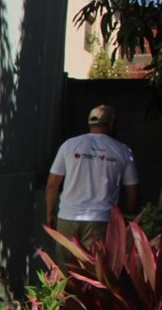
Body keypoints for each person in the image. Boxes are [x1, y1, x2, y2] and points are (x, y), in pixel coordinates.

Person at [45, 104, 140, 254]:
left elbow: (52, 185)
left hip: (67, 218)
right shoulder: (123, 151)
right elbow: (132, 192)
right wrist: (129, 219)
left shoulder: (68, 146)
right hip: (102, 220)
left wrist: (50, 213)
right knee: (95, 267)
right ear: (112, 123)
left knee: (66, 267)